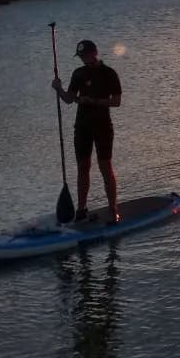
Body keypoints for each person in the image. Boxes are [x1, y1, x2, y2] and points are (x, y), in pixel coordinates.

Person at [53, 39, 122, 223]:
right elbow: (69, 99)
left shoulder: (108, 74)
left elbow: (116, 101)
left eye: (85, 55)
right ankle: (81, 209)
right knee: (83, 167)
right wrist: (59, 89)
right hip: (82, 126)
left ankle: (113, 209)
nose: (83, 59)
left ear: (95, 53)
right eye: (81, 56)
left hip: (102, 127)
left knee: (105, 166)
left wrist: (93, 101)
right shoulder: (78, 73)